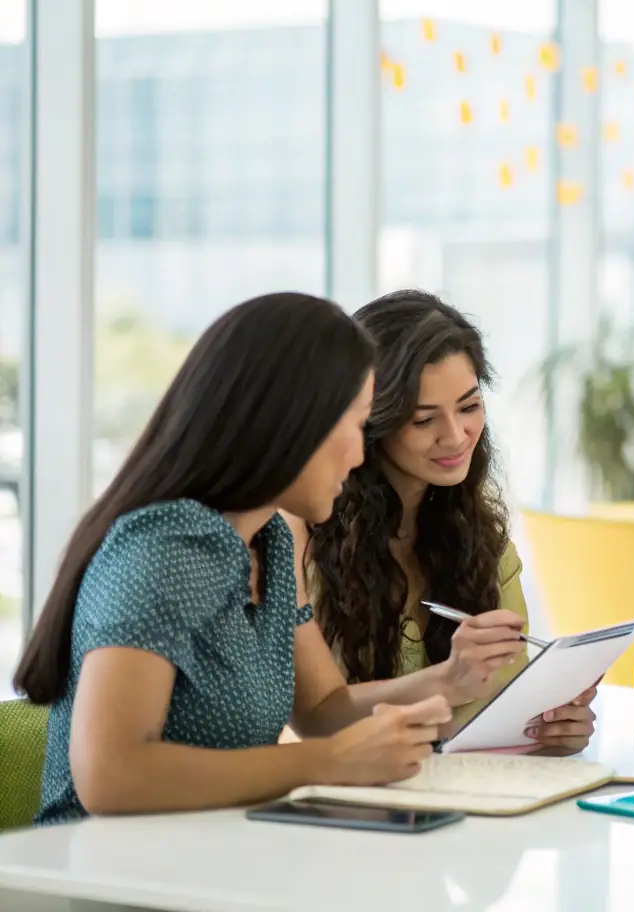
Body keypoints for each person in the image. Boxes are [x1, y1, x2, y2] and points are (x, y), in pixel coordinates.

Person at [16, 293, 455, 824]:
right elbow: (110, 774)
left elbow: (323, 710)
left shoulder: (269, 541)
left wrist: (441, 690)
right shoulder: (166, 547)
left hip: (218, 864)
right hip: (113, 884)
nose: (362, 454)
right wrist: (329, 762)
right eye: (357, 425)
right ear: (294, 422)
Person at [302, 290, 596, 750]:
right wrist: (449, 683)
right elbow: (314, 718)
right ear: (370, 422)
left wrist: (550, 726)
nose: (457, 436)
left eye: (469, 406)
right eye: (424, 421)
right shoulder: (304, 531)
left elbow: (503, 704)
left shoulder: (480, 533)